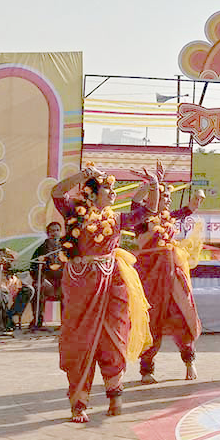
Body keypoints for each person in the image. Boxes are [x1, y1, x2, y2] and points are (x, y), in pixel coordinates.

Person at [51, 165, 153, 423]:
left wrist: (153, 186)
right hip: (81, 284)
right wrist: (82, 176)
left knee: (114, 337)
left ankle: (115, 396)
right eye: (108, 188)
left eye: (114, 189)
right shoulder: (75, 212)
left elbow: (147, 212)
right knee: (80, 341)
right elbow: (57, 192)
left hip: (111, 282)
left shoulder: (116, 219)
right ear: (92, 192)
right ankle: (79, 404)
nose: (113, 193)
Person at [131, 167, 204, 384]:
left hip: (172, 273)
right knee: (151, 319)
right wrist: (152, 184)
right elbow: (136, 200)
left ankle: (189, 361)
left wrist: (197, 199)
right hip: (149, 276)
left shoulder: (168, 217)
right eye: (165, 196)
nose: (168, 200)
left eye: (169, 196)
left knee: (181, 313)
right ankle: (146, 370)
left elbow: (187, 210)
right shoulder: (141, 217)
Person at [30, 222, 64, 331]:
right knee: (37, 287)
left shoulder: (66, 248)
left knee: (71, 288)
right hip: (47, 282)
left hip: (63, 282)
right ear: (47, 233)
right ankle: (37, 321)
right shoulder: (41, 250)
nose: (55, 233)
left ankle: (66, 323)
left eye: (57, 230)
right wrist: (42, 279)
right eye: (52, 231)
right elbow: (33, 268)